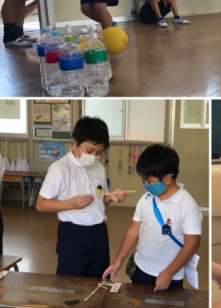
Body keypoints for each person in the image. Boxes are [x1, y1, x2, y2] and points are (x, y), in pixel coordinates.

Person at [36, 117, 128, 277]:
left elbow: (100, 200)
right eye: (90, 150)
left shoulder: (99, 167)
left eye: (99, 152)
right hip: (73, 234)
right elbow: (41, 204)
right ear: (75, 142)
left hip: (99, 232)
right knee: (70, 283)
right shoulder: (59, 168)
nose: (94, 156)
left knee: (99, 281)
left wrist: (112, 198)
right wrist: (71, 204)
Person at [102, 144, 202, 291]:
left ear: (167, 179)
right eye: (143, 181)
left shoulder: (187, 206)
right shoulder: (146, 199)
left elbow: (192, 244)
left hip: (169, 276)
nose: (146, 185)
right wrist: (118, 260)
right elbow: (133, 231)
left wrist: (169, 273)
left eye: (149, 182)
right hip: (141, 268)